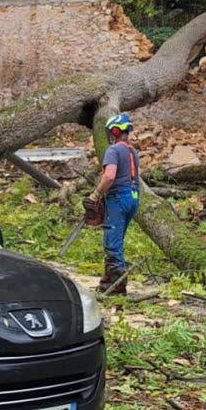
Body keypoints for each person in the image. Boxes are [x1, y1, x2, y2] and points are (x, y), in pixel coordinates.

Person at [86, 113, 140, 295]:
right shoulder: (133, 152)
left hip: (118, 198)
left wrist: (96, 195)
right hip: (133, 197)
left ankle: (117, 285)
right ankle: (108, 281)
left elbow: (109, 176)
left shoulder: (114, 150)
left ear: (115, 131)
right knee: (117, 239)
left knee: (112, 243)